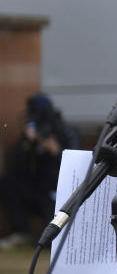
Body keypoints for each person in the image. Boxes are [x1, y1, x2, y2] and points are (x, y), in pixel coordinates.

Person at [0, 93, 78, 250]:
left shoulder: (66, 132)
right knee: (6, 182)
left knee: (51, 242)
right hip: (37, 192)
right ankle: (21, 233)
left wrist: (56, 151)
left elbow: (77, 168)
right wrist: (27, 146)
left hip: (60, 194)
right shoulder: (30, 136)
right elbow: (17, 170)